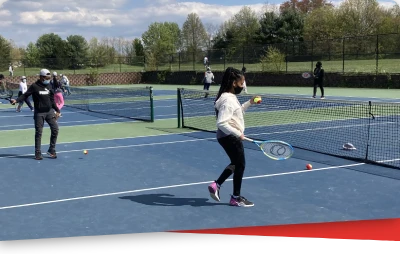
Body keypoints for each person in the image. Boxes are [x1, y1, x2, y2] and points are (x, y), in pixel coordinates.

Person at [207, 67, 261, 207]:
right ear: (234, 83)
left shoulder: (228, 97)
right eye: (242, 83)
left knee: (236, 163)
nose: (243, 86)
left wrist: (249, 103)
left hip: (225, 136)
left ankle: (216, 184)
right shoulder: (228, 100)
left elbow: (236, 113)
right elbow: (222, 122)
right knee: (240, 165)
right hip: (229, 136)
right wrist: (238, 134)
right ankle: (235, 198)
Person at [10, 69, 61, 160]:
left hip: (49, 112)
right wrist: (16, 100)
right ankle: (38, 152)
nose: (48, 79)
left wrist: (57, 110)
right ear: (41, 77)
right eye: (47, 77)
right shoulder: (34, 86)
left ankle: (51, 149)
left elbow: (52, 100)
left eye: (49, 77)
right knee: (39, 133)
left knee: (55, 129)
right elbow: (25, 95)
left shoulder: (49, 86)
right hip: (39, 113)